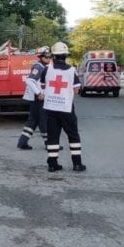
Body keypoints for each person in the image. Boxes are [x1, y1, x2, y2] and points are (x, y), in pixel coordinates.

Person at [38, 41, 86, 173]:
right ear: (65, 56)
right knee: (73, 135)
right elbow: (76, 90)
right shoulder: (72, 71)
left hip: (51, 109)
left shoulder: (46, 70)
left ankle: (52, 164)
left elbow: (42, 86)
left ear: (53, 56)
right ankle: (77, 164)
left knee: (53, 136)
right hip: (66, 108)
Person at [17, 46, 52, 150]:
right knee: (44, 121)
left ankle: (22, 142)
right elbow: (30, 80)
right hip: (38, 99)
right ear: (41, 57)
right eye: (47, 56)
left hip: (36, 99)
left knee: (32, 121)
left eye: (50, 56)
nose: (49, 58)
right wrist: (39, 93)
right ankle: (49, 143)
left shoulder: (43, 66)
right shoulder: (39, 66)